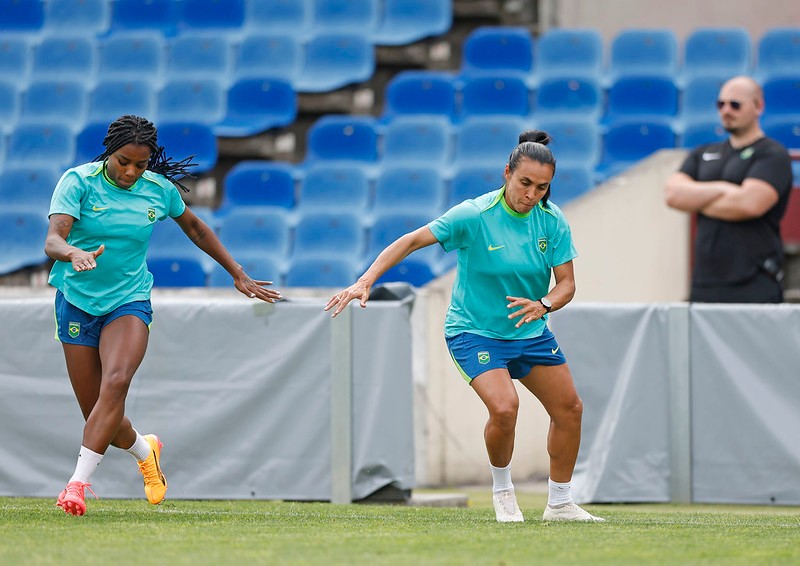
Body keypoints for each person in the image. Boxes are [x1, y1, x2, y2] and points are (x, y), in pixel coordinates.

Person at [326, 130, 604, 523]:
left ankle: (559, 503)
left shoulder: (551, 220)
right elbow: (409, 241)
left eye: (542, 187)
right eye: (525, 183)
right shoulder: (473, 215)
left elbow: (567, 285)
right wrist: (365, 280)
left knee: (570, 410)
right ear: (507, 173)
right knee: (505, 408)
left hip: (529, 330)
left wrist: (543, 305)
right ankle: (503, 490)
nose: (531, 194)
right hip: (474, 331)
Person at [45, 115, 282, 516]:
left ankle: (77, 486)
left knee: (116, 384)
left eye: (141, 164)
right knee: (100, 415)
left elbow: (197, 229)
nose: (132, 172)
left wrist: (237, 273)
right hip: (77, 302)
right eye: (124, 162)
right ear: (109, 153)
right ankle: (145, 448)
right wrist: (74, 253)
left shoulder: (159, 190)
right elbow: (54, 239)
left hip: (129, 301)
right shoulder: (78, 182)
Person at [664, 75, 793, 303]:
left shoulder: (773, 154)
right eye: (720, 104)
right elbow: (673, 195)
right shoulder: (702, 153)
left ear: (758, 106)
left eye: (735, 104)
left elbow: (749, 204)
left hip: (754, 282)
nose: (726, 110)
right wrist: (726, 189)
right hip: (705, 283)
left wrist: (698, 199)